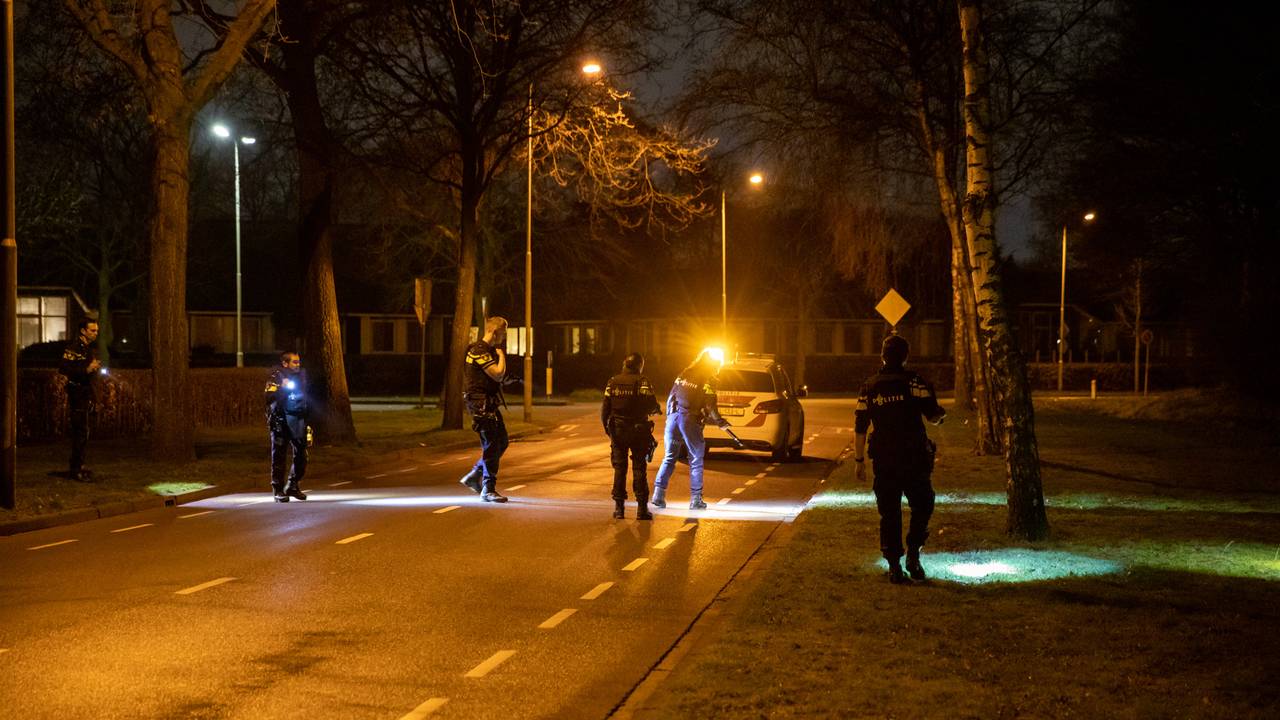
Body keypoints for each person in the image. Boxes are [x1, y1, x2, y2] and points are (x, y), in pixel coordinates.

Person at [854, 335, 946, 584]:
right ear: (906, 356)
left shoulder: (869, 386)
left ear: (882, 356)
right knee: (923, 504)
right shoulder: (914, 382)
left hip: (884, 460)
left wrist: (859, 460)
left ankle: (894, 566)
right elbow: (933, 416)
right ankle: (913, 554)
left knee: (889, 512)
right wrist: (940, 414)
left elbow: (861, 426)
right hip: (914, 457)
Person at [652, 349, 731, 510]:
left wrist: (670, 417)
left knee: (669, 457)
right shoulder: (709, 380)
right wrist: (720, 421)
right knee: (696, 459)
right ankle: (696, 500)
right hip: (688, 420)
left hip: (673, 418)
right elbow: (710, 404)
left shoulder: (683, 374)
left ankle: (658, 495)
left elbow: (671, 396)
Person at [602, 352, 662, 520]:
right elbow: (651, 404)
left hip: (618, 430)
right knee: (639, 467)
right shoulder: (642, 381)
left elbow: (605, 409)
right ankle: (641, 509)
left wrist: (608, 430)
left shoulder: (612, 382)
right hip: (638, 430)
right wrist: (655, 408)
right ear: (639, 365)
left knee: (620, 469)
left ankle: (619, 509)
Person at [458, 316, 511, 503]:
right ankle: (488, 489)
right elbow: (497, 374)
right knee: (491, 445)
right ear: (495, 332)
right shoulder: (479, 351)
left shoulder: (485, 351)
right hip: (481, 405)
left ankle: (475, 475)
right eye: (503, 333)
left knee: (502, 441)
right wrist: (502, 356)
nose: (503, 338)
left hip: (488, 404)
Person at [59, 319, 101, 482]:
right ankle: (75, 469)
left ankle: (80, 465)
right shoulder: (74, 348)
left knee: (84, 432)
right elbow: (63, 368)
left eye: (97, 331)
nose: (95, 334)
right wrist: (86, 369)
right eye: (92, 330)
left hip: (84, 392)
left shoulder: (87, 349)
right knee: (80, 432)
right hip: (77, 393)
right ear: (83, 331)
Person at [265, 351, 310, 502]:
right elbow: (268, 397)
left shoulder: (302, 377)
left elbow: (305, 399)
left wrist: (308, 421)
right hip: (280, 420)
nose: (298, 365)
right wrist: (282, 388)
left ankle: (293, 485)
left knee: (301, 454)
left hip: (298, 420)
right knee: (279, 455)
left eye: (298, 362)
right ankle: (278, 489)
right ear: (285, 363)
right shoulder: (276, 377)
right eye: (294, 362)